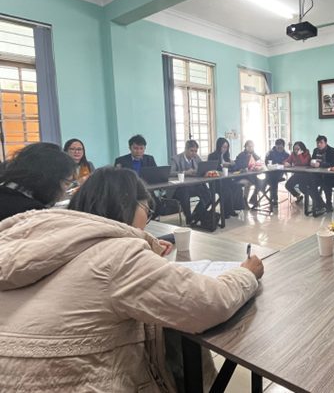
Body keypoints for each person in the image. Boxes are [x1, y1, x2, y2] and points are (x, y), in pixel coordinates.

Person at [0, 167, 264, 392]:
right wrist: (246, 273)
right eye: (147, 210)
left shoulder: (31, 239)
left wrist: (144, 250)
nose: (146, 221)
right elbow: (209, 303)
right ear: (129, 204)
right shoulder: (118, 257)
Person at [0, 142, 76, 221]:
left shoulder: (5, 193)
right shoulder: (31, 212)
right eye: (67, 183)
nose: (65, 191)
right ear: (50, 181)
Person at [170, 139, 212, 225]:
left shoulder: (196, 158)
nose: (194, 153)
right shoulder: (176, 159)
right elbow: (170, 173)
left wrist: (205, 172)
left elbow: (202, 167)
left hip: (194, 185)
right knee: (184, 192)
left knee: (208, 194)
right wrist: (185, 172)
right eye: (191, 151)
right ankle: (189, 218)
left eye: (195, 151)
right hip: (179, 188)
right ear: (186, 149)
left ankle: (196, 215)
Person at [304, 135, 334, 216]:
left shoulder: (333, 151)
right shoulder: (315, 150)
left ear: (325, 143)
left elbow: (333, 164)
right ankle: (320, 203)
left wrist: (320, 164)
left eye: (321, 143)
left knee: (326, 183)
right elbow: (312, 160)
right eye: (317, 143)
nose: (319, 144)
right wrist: (312, 163)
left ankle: (328, 204)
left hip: (330, 176)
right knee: (309, 183)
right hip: (318, 175)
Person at [208, 138, 241, 217]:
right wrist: (222, 166)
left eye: (226, 147)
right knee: (226, 190)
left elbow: (233, 168)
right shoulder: (212, 156)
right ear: (219, 146)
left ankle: (233, 208)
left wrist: (231, 164)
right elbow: (212, 169)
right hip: (216, 181)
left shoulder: (226, 156)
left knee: (237, 187)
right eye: (223, 147)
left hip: (226, 180)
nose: (225, 149)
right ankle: (225, 212)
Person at [234, 140, 262, 207]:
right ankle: (245, 200)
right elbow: (238, 166)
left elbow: (259, 162)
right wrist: (244, 168)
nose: (251, 148)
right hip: (242, 177)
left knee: (261, 182)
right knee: (249, 183)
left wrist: (257, 167)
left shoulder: (253, 154)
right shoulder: (241, 155)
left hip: (251, 176)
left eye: (252, 146)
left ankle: (253, 198)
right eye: (249, 146)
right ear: (245, 147)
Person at [264, 139, 289, 206]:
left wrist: (285, 164)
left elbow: (288, 163)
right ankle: (273, 198)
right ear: (275, 146)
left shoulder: (286, 154)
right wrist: (271, 165)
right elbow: (266, 162)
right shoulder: (270, 153)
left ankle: (274, 199)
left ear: (283, 146)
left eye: (280, 146)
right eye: (277, 146)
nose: (279, 148)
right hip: (270, 172)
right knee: (271, 178)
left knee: (273, 179)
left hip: (279, 173)